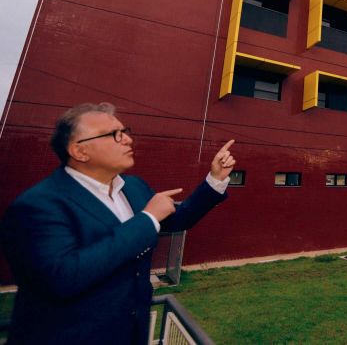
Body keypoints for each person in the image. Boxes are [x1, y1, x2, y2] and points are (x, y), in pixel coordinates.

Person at [1, 102, 236, 345]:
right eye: (115, 135)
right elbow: (61, 278)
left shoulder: (133, 187)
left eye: (125, 132)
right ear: (80, 151)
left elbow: (178, 218)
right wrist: (147, 220)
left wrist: (216, 179)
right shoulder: (38, 206)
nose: (128, 141)